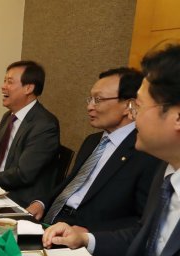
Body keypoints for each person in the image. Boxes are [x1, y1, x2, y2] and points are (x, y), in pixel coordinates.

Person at [41, 42, 180, 256]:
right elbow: (146, 235)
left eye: (138, 107)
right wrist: (85, 239)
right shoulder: (168, 171)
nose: (132, 118)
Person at [26, 68, 160, 232]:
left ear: (129, 105)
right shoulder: (93, 141)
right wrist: (41, 203)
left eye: (98, 100)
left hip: (87, 234)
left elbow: (143, 220)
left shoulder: (146, 151)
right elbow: (71, 184)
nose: (90, 106)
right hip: (51, 221)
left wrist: (89, 233)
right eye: (90, 99)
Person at [0, 60, 60, 207]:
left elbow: (23, 174)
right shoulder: (9, 116)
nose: (3, 86)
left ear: (28, 88)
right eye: (4, 81)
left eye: (9, 82)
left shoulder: (44, 125)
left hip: (16, 196)